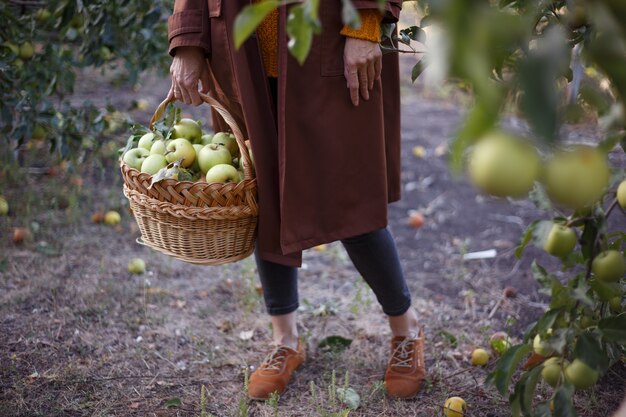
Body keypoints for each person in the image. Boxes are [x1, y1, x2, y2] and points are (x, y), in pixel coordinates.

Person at [167, 0, 424, 401]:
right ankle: (285, 341)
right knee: (263, 195)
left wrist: (366, 22)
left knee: (349, 199)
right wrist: (188, 41)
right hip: (241, 48)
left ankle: (406, 331)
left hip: (331, 37)